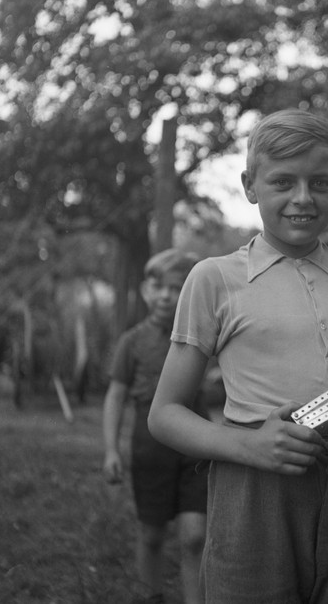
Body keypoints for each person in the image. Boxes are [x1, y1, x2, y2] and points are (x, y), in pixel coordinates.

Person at [148, 109, 328, 604]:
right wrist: (249, 447)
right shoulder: (215, 278)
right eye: (282, 182)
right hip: (256, 483)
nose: (303, 198)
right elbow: (165, 415)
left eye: (320, 182)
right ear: (250, 185)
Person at [102, 249, 207, 604]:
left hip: (196, 449)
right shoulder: (131, 342)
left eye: (177, 287)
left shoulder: (205, 339)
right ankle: (152, 595)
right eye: (158, 286)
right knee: (152, 534)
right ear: (146, 290)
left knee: (195, 536)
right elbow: (115, 397)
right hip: (149, 451)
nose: (166, 295)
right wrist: (111, 450)